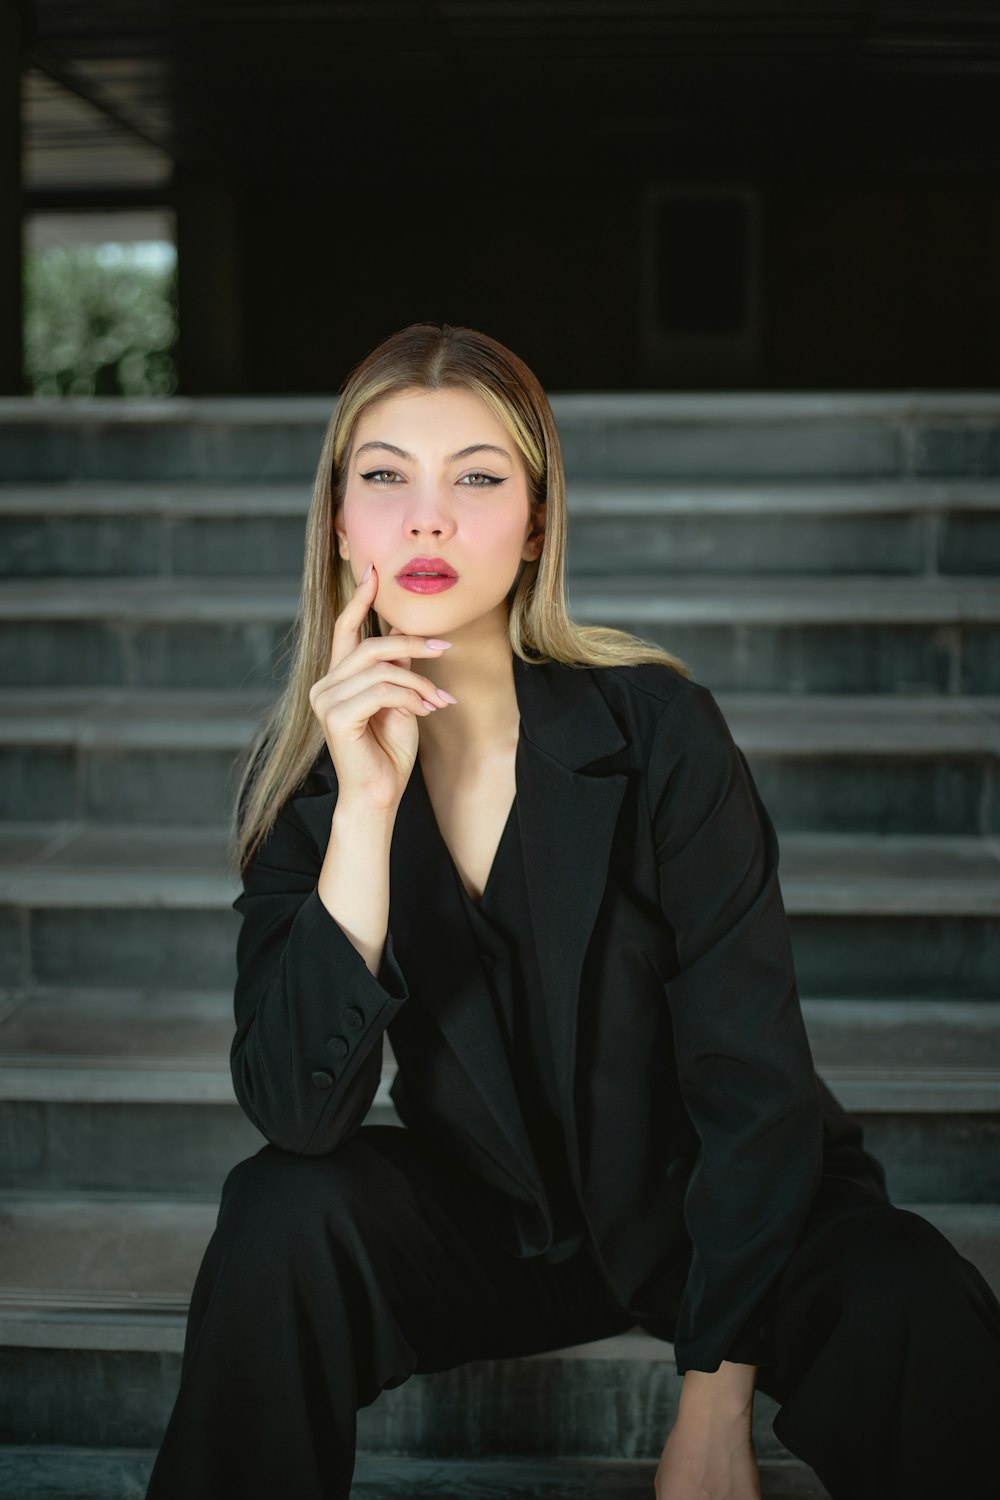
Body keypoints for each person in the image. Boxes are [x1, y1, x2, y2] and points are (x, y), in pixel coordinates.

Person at [145, 323, 1000, 1500]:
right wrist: (363, 809)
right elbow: (298, 1110)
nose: (428, 519)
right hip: (502, 1227)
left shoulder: (659, 733)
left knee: (913, 1289)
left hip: (717, 1210)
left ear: (536, 520)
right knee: (279, 1209)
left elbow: (756, 1084)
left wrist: (714, 1405)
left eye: (478, 478)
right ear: (340, 524)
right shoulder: (312, 792)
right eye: (385, 476)